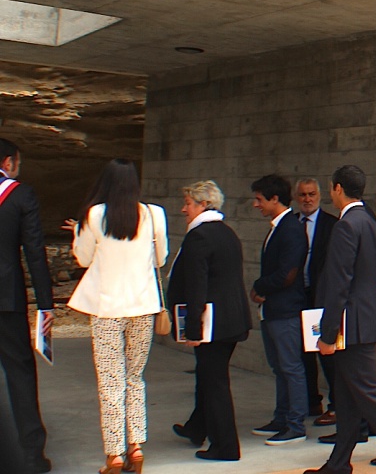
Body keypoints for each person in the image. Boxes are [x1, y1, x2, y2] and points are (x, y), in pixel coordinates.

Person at [305, 165, 376, 474]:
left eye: (330, 188)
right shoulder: (369, 222)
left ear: (338, 189)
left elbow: (339, 283)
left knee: (371, 398)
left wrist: (327, 334)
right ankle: (339, 463)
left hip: (350, 325)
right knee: (346, 397)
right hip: (363, 319)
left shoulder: (347, 225)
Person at [67, 159, 168, 474]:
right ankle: (136, 448)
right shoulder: (153, 214)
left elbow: (83, 258)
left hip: (108, 309)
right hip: (143, 307)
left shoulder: (94, 215)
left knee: (110, 382)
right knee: (135, 378)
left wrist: (77, 233)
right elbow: (161, 258)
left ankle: (114, 455)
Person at [167, 180, 253, 461]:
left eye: (188, 204)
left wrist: (193, 328)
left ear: (203, 205)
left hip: (212, 325)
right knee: (207, 377)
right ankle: (197, 426)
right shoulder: (227, 232)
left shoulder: (200, 237)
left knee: (215, 383)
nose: (184, 209)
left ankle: (225, 446)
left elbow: (197, 285)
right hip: (231, 320)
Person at [0, 139, 54, 474]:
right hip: (6, 297)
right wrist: (46, 305)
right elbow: (34, 251)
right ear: (8, 162)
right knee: (19, 372)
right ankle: (32, 455)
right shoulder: (20, 195)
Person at [247, 174, 308, 446]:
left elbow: (287, 274)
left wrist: (260, 286)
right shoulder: (279, 227)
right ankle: (282, 417)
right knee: (280, 367)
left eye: (259, 199)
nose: (255, 205)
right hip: (274, 309)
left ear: (275, 199)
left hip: (286, 310)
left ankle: (295, 424)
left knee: (290, 367)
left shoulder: (291, 228)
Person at [295, 178, 340, 426]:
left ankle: (336, 405)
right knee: (303, 353)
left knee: (326, 353)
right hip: (298, 296)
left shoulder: (332, 225)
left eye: (311, 194)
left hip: (321, 297)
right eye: (302, 195)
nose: (307, 199)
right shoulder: (292, 223)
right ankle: (311, 401)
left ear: (319, 195)